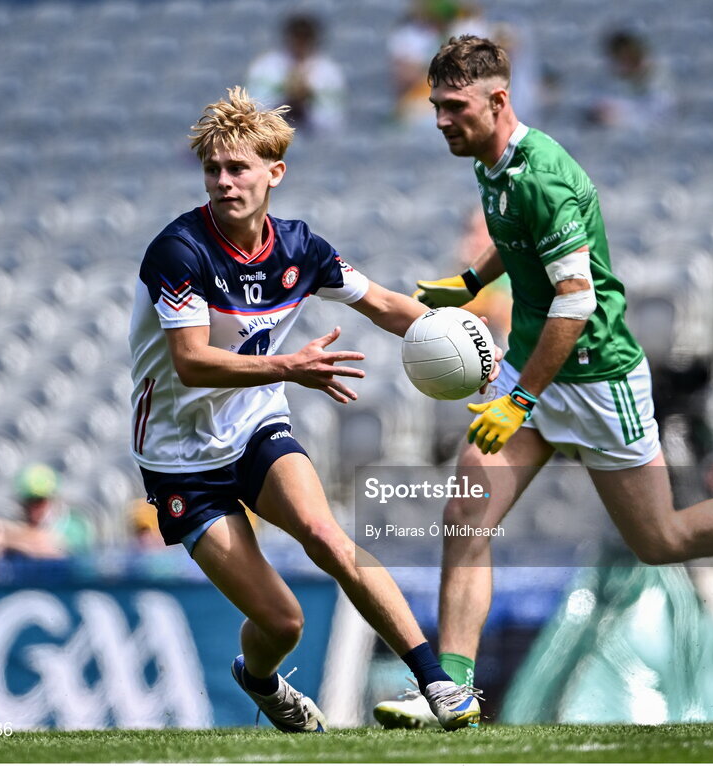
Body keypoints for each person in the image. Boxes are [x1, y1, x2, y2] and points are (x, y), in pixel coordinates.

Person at [372, 34, 713, 729]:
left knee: (659, 540)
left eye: (454, 107)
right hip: (530, 367)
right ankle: (450, 692)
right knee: (465, 516)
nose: (442, 121)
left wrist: (518, 401)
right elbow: (515, 235)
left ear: (498, 100)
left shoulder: (546, 173)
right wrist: (471, 281)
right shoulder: (490, 162)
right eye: (436, 107)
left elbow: (574, 304)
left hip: (596, 378)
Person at [128, 87, 482, 732]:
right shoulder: (179, 251)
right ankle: (258, 678)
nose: (224, 182)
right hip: (180, 460)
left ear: (274, 173)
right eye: (213, 169)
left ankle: (440, 686)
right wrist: (289, 367)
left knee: (327, 537)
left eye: (238, 168)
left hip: (257, 425)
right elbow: (192, 361)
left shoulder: (301, 248)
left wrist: (452, 337)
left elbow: (381, 303)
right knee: (282, 620)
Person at [0, 463, 95, 560]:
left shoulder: (75, 524)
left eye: (39, 500)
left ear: (52, 498)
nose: (33, 507)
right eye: (28, 501)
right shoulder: (19, 520)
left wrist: (3, 537)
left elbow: (51, 547)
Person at [246, 14, 346, 135]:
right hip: (271, 138)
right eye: (297, 37)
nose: (300, 43)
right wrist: (286, 100)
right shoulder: (266, 66)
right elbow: (253, 109)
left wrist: (307, 101)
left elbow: (334, 118)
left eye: (305, 38)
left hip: (314, 139)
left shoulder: (328, 72)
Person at [587, 30, 675, 131]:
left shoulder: (661, 82)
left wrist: (619, 117)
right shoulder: (605, 84)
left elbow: (660, 120)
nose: (627, 63)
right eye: (621, 58)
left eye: (631, 57)